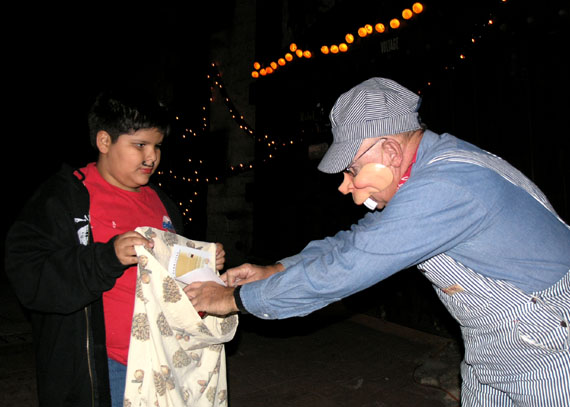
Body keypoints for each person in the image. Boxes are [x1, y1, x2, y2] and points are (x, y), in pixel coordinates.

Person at [185, 77, 570, 406]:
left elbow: (347, 269)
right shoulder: (431, 171)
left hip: (548, 345)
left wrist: (234, 300)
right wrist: (275, 270)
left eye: (352, 169)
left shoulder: (444, 186)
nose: (345, 185)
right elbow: (356, 241)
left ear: (388, 150)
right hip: (499, 346)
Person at [4, 87, 226, 407]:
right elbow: (29, 276)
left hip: (166, 359)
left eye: (157, 146)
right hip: (106, 368)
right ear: (104, 141)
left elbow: (171, 278)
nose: (152, 157)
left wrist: (203, 263)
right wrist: (106, 258)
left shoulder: (163, 203)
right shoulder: (64, 199)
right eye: (140, 145)